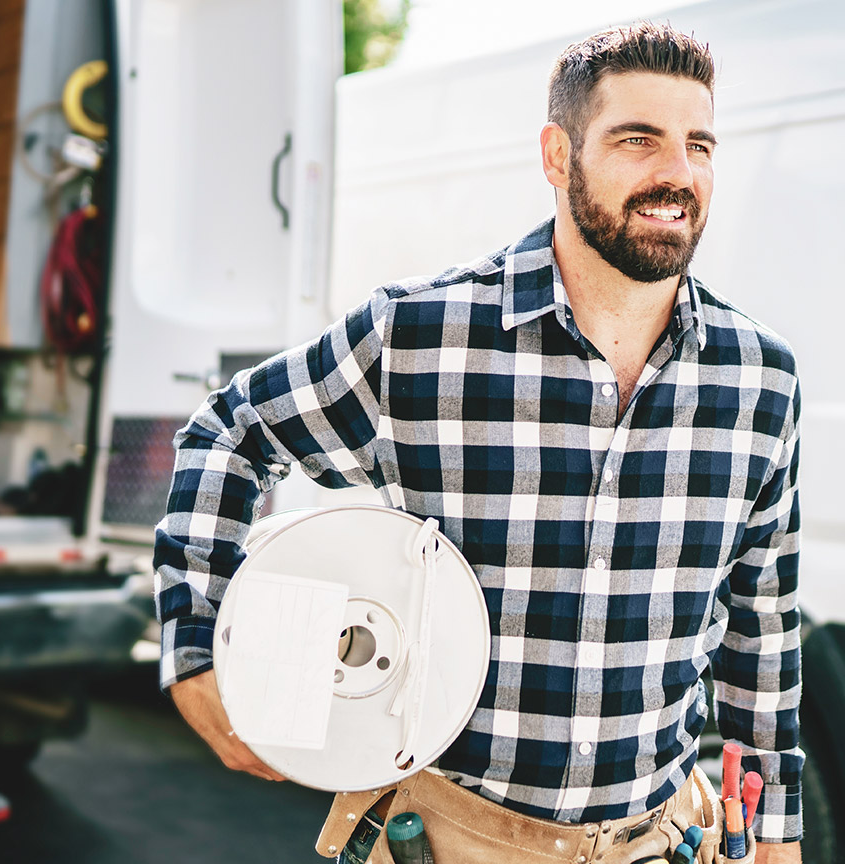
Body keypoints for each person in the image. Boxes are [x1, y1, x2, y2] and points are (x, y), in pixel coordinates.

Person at [155, 21, 803, 863]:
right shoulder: (422, 335)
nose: (677, 173)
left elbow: (763, 628)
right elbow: (229, 433)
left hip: (660, 840)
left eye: (699, 144)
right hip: (445, 836)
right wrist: (197, 649)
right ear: (557, 155)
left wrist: (774, 836)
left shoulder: (761, 379)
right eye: (638, 139)